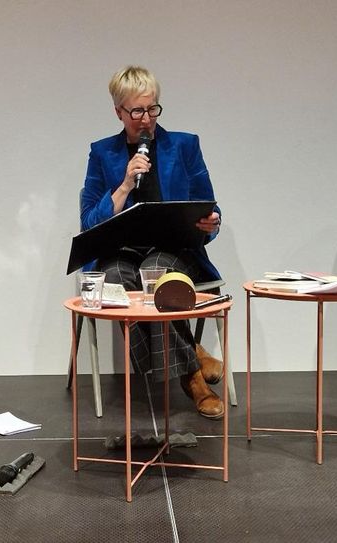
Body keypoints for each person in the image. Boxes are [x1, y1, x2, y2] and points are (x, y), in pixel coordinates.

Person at [80, 65, 226, 419]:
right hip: (120, 253)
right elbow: (89, 223)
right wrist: (127, 183)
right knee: (115, 281)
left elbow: (209, 208)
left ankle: (191, 379)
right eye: (137, 111)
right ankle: (191, 357)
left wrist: (211, 223)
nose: (146, 119)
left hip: (175, 252)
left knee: (156, 271)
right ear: (119, 112)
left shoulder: (185, 145)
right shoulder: (102, 154)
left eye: (152, 109)